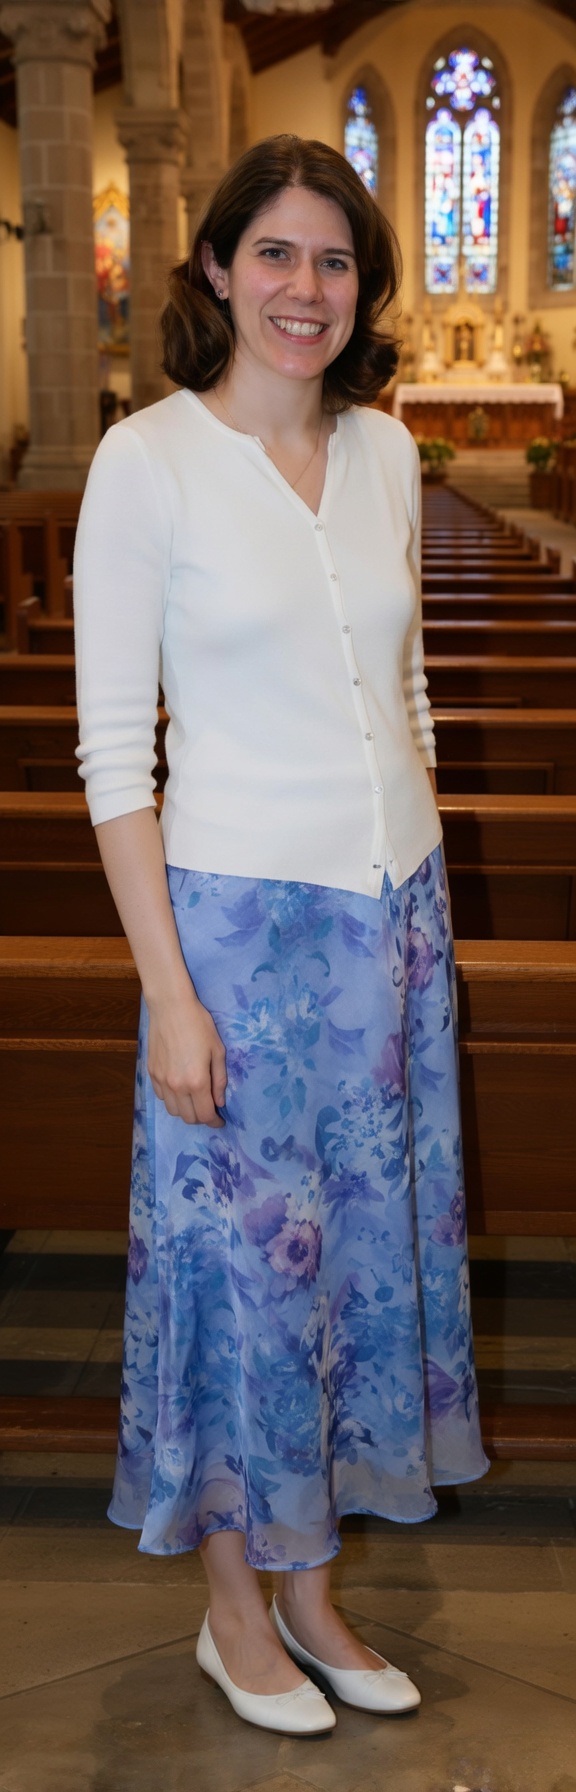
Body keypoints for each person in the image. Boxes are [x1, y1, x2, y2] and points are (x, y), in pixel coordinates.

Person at [74, 133, 489, 1739]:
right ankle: (234, 1610)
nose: (305, 288)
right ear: (215, 268)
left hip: (393, 927)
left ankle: (314, 1591)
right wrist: (168, 994)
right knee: (244, 1285)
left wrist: (417, 887)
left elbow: (408, 693)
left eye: (333, 260)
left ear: (361, 286)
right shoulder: (150, 463)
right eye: (276, 254)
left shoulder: (386, 452)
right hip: (237, 942)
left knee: (362, 1273)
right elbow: (117, 761)